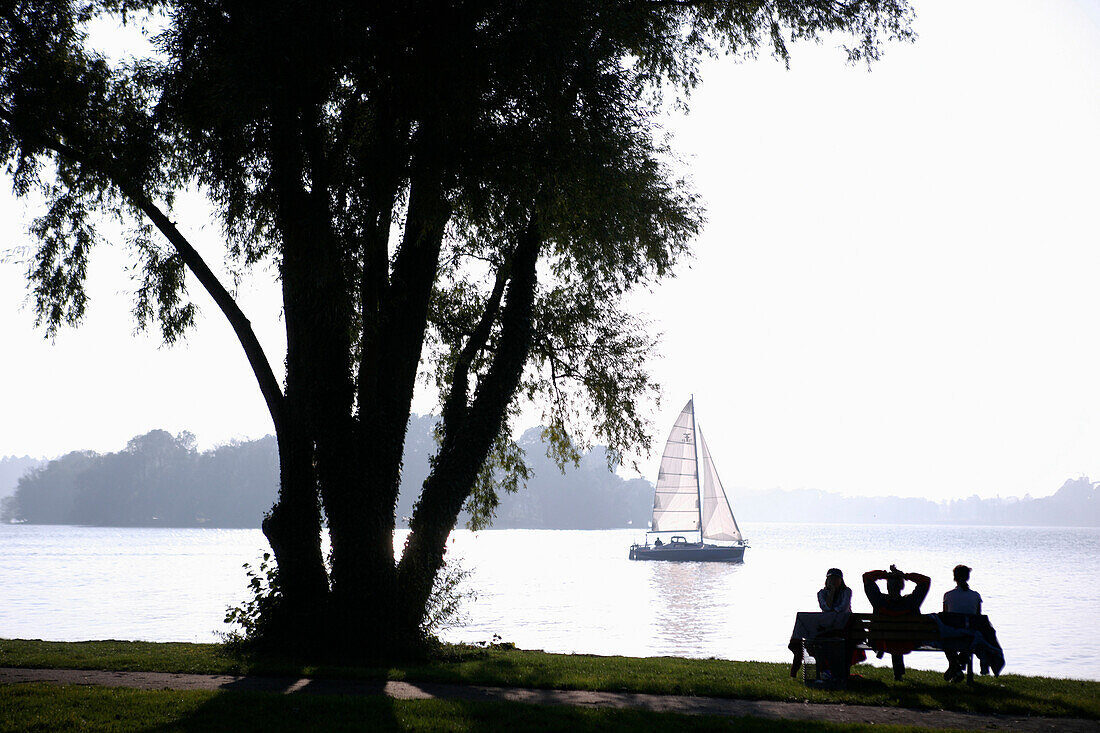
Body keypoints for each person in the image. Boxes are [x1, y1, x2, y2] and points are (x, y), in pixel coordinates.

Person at [863, 564, 930, 681]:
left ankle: (894, 668)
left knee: (891, 637)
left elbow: (867, 577)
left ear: (888, 587)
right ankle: (898, 674)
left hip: (882, 641)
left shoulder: (879, 601)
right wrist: (904, 575)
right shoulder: (911, 602)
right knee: (898, 637)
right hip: (908, 642)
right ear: (902, 586)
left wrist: (886, 575)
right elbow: (925, 580)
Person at [789, 568, 854, 679]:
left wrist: (832, 609)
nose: (833, 581)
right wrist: (832, 592)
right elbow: (825, 607)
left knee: (814, 635)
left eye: (836, 578)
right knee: (802, 621)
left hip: (844, 627)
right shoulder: (822, 593)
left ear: (841, 580)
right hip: (827, 627)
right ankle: (797, 647)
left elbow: (842, 608)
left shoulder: (846, 591)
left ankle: (822, 669)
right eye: (830, 578)